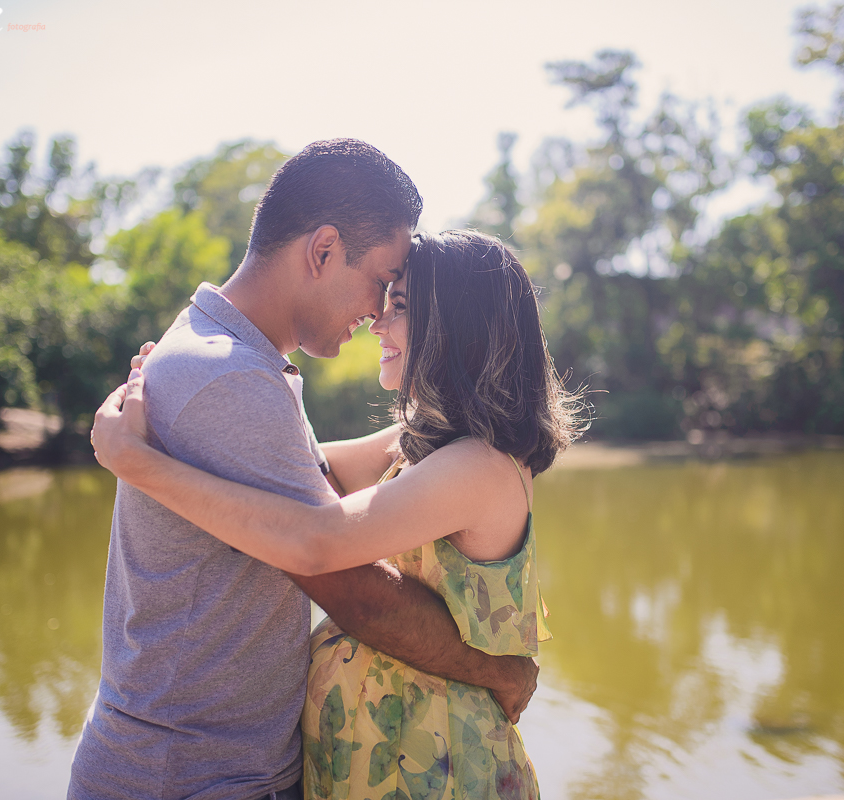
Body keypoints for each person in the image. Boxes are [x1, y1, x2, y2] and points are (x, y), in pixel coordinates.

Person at [68, 142, 540, 800]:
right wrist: (496, 670)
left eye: (400, 301)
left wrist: (138, 464)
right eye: (383, 284)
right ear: (322, 252)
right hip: (190, 776)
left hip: (218, 769)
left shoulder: (243, 365)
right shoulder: (229, 375)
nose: (378, 312)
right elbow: (348, 582)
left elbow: (317, 502)